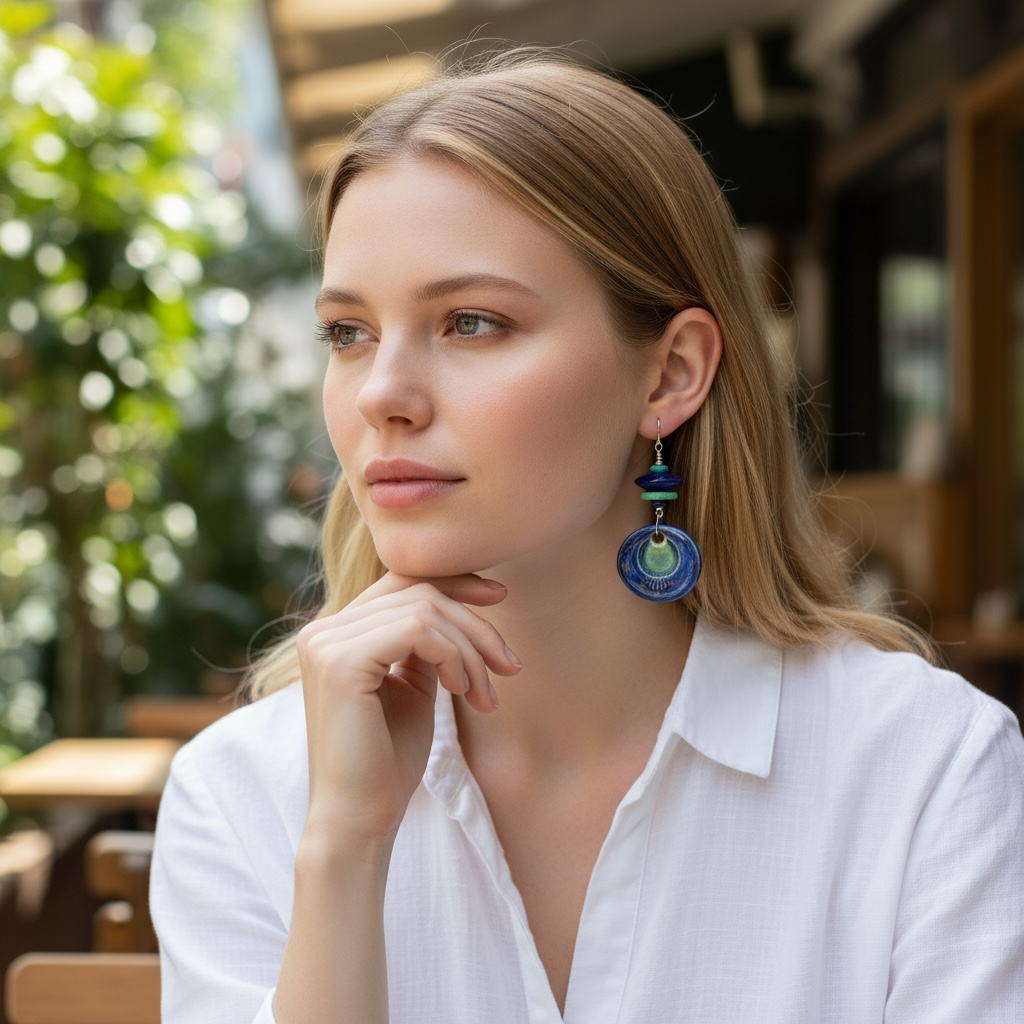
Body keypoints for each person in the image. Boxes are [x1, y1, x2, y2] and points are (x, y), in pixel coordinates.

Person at [150, 50, 1024, 1024]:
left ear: (668, 376)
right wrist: (346, 846)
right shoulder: (247, 796)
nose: (382, 396)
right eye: (348, 333)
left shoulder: (923, 770)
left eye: (471, 321)